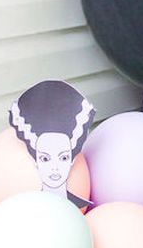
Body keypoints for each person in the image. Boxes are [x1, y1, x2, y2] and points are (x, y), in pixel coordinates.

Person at [9, 79, 95, 209]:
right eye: (45, 158)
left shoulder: (80, 206)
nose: (54, 168)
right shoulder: (26, 209)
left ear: (72, 160)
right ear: (35, 160)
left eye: (63, 157)